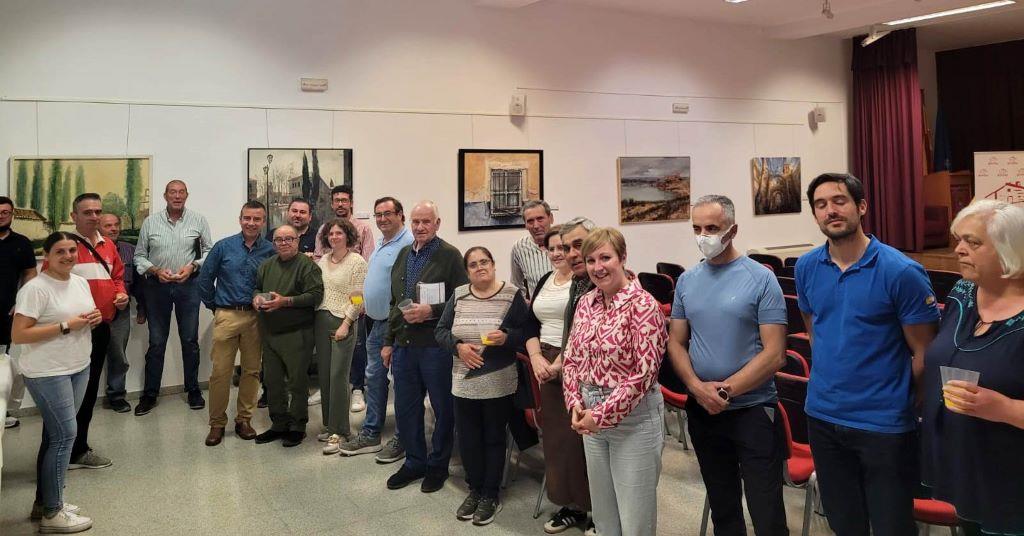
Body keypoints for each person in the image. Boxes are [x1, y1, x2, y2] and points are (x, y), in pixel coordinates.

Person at [795, 173, 939, 536]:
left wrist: (902, 399)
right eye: (821, 205)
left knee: (892, 526)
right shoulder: (806, 267)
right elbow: (815, 332)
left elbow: (924, 352)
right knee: (844, 524)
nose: (830, 210)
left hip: (883, 424)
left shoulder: (901, 272)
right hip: (823, 416)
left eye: (839, 201)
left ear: (861, 207)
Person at [666, 195, 789, 535]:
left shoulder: (761, 279)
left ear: (732, 231)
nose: (703, 236)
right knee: (723, 508)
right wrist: (696, 388)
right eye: (697, 228)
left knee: (767, 512)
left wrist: (723, 391)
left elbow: (775, 353)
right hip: (703, 410)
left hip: (752, 410)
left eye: (712, 228)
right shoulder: (688, 281)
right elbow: (676, 342)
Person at [921, 200, 1024, 536]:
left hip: (1013, 483)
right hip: (966, 469)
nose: (959, 249)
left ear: (1011, 250)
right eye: (958, 239)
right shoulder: (963, 291)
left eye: (973, 242)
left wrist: (1006, 409)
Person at [562, 227, 667, 536]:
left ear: (622, 258)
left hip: (633, 420)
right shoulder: (586, 302)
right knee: (604, 516)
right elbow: (571, 358)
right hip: (589, 416)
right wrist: (575, 403)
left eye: (605, 258)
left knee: (635, 520)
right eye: (591, 260)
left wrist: (601, 415)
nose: (598, 267)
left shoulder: (643, 305)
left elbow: (644, 373)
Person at [12, 232, 103, 533]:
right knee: (65, 436)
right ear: (47, 256)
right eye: (60, 251)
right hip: (48, 372)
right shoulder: (35, 289)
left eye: (72, 250)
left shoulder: (79, 282)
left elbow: (81, 318)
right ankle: (53, 514)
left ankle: (46, 501)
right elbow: (19, 334)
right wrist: (66, 325)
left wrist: (93, 319)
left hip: (79, 366)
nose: (68, 256)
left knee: (56, 436)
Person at [435, 247, 529, 525]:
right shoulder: (459, 295)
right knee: (468, 439)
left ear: (493, 264)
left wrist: (507, 337)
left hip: (498, 381)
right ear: (467, 271)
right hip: (463, 382)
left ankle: (490, 494)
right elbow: (440, 331)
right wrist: (459, 347)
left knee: (493, 438)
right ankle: (474, 489)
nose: (480, 268)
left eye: (484, 262)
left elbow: (526, 333)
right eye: (473, 264)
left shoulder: (511, 295)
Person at [381, 201, 468, 493]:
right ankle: (414, 462)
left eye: (426, 222)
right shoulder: (404, 254)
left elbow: (462, 299)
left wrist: (431, 311)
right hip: (404, 346)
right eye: (415, 222)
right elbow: (395, 303)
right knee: (406, 408)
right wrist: (388, 342)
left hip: (435, 347)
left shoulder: (450, 256)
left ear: (437, 224)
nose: (420, 227)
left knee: (443, 409)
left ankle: (437, 466)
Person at [523, 226, 595, 534]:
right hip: (546, 362)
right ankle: (572, 506)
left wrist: (560, 362)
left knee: (583, 440)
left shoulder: (587, 282)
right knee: (558, 441)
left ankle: (597, 508)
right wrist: (536, 357)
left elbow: (581, 331)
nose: (559, 253)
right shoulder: (545, 280)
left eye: (564, 247)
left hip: (574, 362)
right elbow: (529, 323)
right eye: (554, 248)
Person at [54, 193, 128, 471]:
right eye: (87, 212)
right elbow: (51, 286)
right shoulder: (64, 246)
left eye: (98, 211)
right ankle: (61, 452)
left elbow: (117, 277)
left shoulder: (108, 245)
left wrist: (120, 294)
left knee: (88, 392)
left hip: (101, 329)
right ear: (74, 216)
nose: (94, 217)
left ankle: (78, 449)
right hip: (73, 333)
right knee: (69, 396)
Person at [339, 196, 413, 463]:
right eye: (378, 214)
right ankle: (371, 433)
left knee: (402, 382)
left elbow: (405, 289)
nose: (382, 219)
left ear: (400, 214)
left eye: (387, 213)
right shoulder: (382, 242)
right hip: (375, 321)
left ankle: (403, 438)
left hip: (395, 324)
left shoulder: (407, 243)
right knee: (374, 378)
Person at [197, 200, 275, 446]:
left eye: (257, 219)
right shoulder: (223, 247)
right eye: (247, 218)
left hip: (256, 318)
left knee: (251, 371)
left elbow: (274, 283)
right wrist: (216, 307)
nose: (251, 223)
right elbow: (204, 279)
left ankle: (244, 420)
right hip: (227, 315)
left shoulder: (270, 250)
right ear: (240, 219)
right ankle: (217, 423)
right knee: (220, 372)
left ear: (263, 222)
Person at [134, 179, 212, 415]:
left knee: (189, 340)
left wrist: (193, 266)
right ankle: (150, 394)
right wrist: (155, 270)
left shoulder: (198, 220)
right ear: (165, 196)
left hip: (189, 286)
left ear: (187, 195)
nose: (177, 196)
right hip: (157, 287)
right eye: (172, 192)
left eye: (181, 192)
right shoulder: (150, 222)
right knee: (157, 342)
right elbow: (139, 256)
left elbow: (209, 251)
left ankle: (193, 390)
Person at [252, 224, 324, 448]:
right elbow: (257, 288)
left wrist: (286, 301)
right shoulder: (266, 266)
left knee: (297, 382)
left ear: (297, 241)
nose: (284, 243)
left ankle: (297, 426)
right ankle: (279, 424)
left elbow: (315, 295)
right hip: (270, 333)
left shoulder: (307, 266)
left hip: (297, 333)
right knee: (272, 382)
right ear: (273, 243)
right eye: (279, 240)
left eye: (289, 239)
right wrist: (256, 298)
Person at [313, 185, 374, 413]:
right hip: (328, 309)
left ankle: (357, 388)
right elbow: (318, 258)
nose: (340, 203)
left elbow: (366, 265)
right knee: (329, 358)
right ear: (332, 203)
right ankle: (328, 389)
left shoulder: (363, 231)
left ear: (351, 203)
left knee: (357, 350)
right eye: (336, 200)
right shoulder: (324, 231)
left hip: (353, 308)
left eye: (344, 200)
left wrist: (353, 313)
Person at [314, 217, 368, 454]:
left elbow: (357, 298)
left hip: (342, 322)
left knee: (338, 377)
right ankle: (329, 425)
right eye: (331, 234)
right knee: (325, 376)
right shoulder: (323, 260)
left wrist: (347, 323)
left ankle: (340, 431)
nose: (334, 237)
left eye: (339, 233)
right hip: (321, 319)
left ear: (348, 236)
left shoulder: (357, 262)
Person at [99, 213, 146, 414]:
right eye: (108, 225)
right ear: (98, 227)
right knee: (86, 355)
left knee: (118, 355)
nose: (114, 229)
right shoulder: (87, 249)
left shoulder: (129, 250)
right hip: (92, 312)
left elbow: (139, 283)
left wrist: (142, 308)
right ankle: (81, 398)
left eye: (116, 224)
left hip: (121, 311)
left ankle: (116, 396)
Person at [1, 195, 37, 429]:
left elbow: (30, 274)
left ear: (12, 214)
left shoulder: (21, 243)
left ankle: (0, 412)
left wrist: (21, 302)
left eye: (5, 212)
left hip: (6, 313)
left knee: (2, 365)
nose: (1, 215)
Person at [510, 200, 555, 301]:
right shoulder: (519, 248)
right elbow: (516, 284)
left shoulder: (565, 243)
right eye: (530, 221)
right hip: (537, 309)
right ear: (525, 225)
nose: (536, 226)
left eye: (540, 219)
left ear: (551, 218)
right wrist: (523, 303)